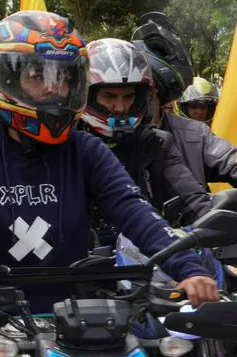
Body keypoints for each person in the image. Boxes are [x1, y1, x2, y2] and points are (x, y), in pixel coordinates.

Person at [0, 11, 218, 357]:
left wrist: (189, 268)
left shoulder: (85, 149)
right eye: (37, 76)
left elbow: (135, 211)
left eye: (63, 78)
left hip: (78, 317)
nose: (54, 91)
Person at [81, 38, 211, 227]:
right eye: (109, 96)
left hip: (151, 248)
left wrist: (212, 223)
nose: (121, 107)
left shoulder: (156, 144)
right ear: (87, 96)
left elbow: (193, 201)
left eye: (129, 96)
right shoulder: (70, 147)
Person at [132, 12, 237, 190]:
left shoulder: (195, 135)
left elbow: (229, 159)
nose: (121, 106)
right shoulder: (104, 143)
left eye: (150, 90)